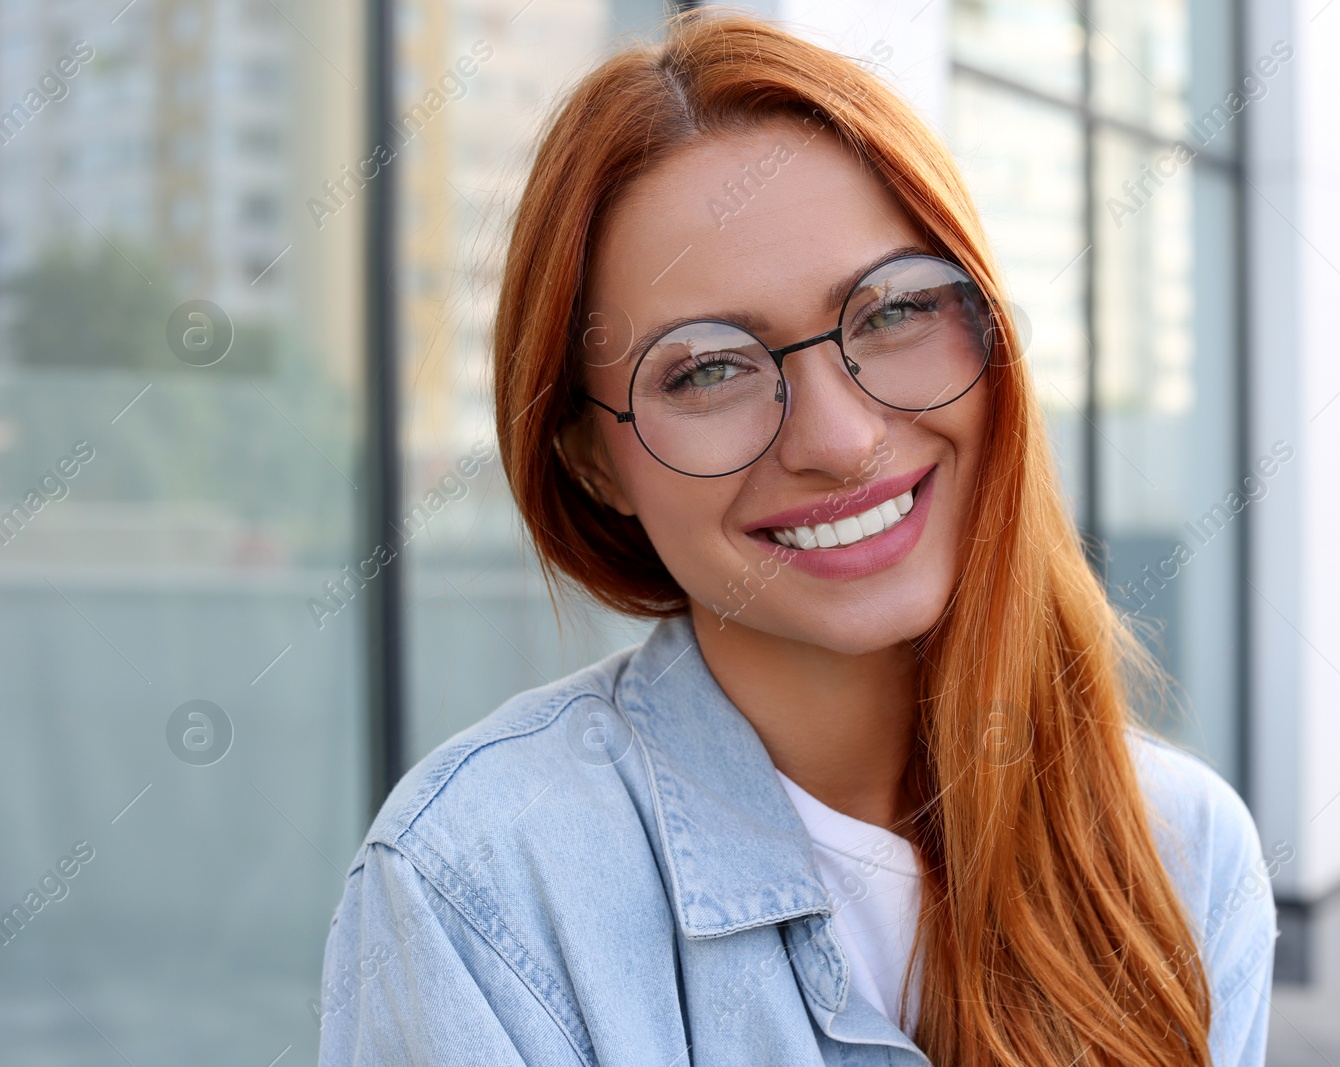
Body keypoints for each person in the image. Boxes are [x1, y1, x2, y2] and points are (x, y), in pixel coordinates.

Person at [316, 8, 1277, 1066]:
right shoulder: (480, 884)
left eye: (895, 311)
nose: (841, 437)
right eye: (708, 368)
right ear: (592, 459)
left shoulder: (1180, 852)